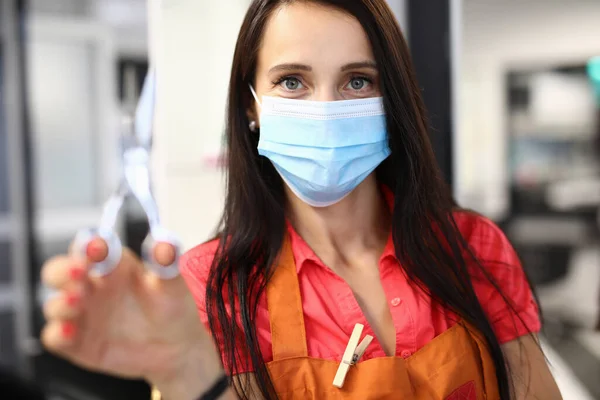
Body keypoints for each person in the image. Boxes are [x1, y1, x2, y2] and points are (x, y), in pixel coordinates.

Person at [39, 0, 562, 399]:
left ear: (391, 100)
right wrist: (187, 373)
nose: (327, 109)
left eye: (358, 81)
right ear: (252, 106)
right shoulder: (209, 288)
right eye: (293, 81)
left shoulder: (472, 246)